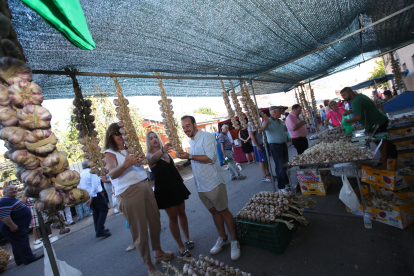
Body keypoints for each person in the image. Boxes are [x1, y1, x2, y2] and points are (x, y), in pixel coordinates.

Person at [103, 123, 173, 275]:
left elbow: (143, 164)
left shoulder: (130, 148)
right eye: (116, 133)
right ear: (110, 137)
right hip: (128, 193)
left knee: (155, 221)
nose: (121, 135)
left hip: (144, 186)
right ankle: (150, 267)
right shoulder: (109, 153)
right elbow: (112, 174)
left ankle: (158, 252)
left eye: (122, 132)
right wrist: (125, 164)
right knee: (140, 230)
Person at [177, 115, 241, 261]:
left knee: (223, 211)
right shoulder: (191, 140)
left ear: (194, 124)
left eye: (187, 125)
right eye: (183, 127)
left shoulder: (207, 137)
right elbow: (195, 157)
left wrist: (190, 156)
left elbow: (210, 158)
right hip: (200, 185)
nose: (185, 129)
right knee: (213, 212)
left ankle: (234, 241)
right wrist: (184, 164)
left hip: (213, 183)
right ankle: (223, 238)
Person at [145, 131, 192, 257]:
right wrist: (163, 148)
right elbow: (154, 159)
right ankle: (181, 246)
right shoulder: (149, 155)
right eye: (150, 138)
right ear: (148, 141)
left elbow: (167, 166)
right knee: (173, 218)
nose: (154, 139)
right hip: (164, 190)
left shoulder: (165, 152)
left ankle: (187, 239)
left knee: (182, 213)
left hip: (176, 185)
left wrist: (176, 167)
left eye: (155, 137)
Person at [341, 87, 397, 164]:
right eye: (342, 96)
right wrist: (350, 111)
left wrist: (347, 120)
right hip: (377, 121)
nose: (343, 97)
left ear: (350, 93)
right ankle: (387, 158)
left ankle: (386, 161)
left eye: (344, 95)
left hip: (377, 123)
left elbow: (358, 117)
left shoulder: (356, 101)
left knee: (382, 143)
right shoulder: (359, 97)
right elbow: (361, 108)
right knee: (380, 142)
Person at [0, 185, 44, 266]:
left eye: (15, 189)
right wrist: (12, 225)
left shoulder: (11, 199)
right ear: (5, 192)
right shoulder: (4, 201)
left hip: (18, 227)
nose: (14, 190)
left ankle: (19, 260)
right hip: (14, 228)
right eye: (11, 190)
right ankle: (28, 257)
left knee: (17, 244)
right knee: (22, 242)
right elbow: (3, 216)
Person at [262, 106, 291, 193]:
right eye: (279, 111)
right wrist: (266, 123)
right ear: (274, 112)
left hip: (283, 145)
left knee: (285, 165)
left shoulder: (279, 121)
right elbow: (260, 131)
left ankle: (286, 184)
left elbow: (282, 131)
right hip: (275, 146)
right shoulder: (268, 121)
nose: (281, 113)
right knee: (280, 167)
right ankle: (281, 187)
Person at [80, 161, 110, 238]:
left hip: (88, 195)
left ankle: (98, 229)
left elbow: (79, 187)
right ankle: (100, 230)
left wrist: (87, 198)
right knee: (104, 210)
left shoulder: (81, 174)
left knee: (96, 212)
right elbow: (95, 186)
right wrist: (91, 198)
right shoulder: (92, 172)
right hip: (95, 195)